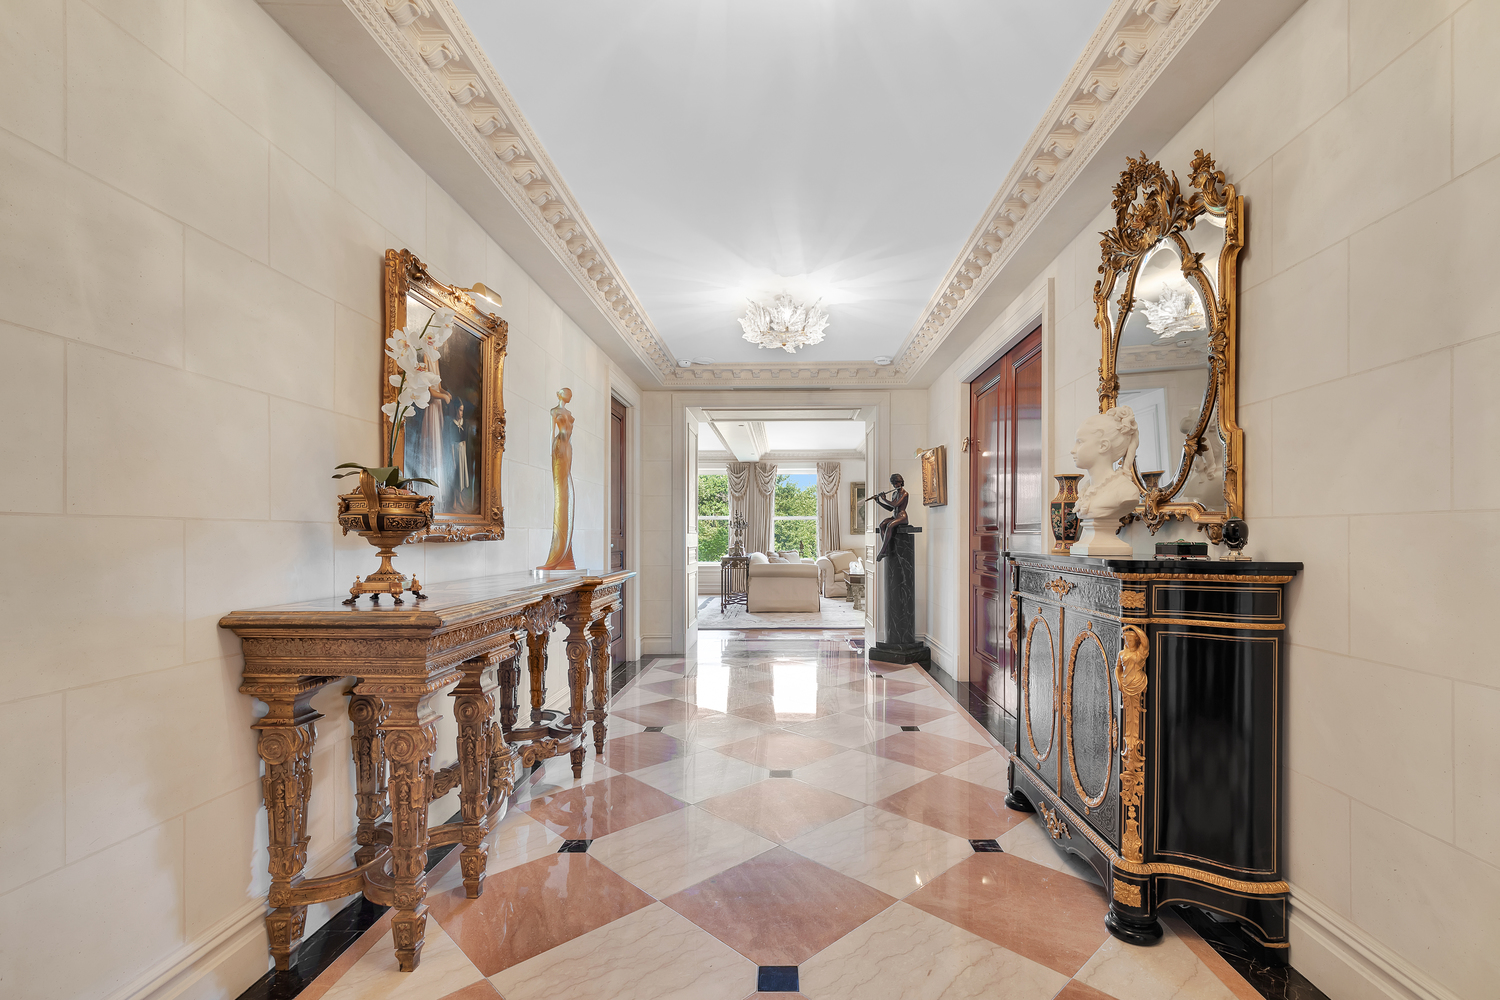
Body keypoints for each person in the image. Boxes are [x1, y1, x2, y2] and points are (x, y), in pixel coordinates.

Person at [872, 473, 909, 562]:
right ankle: (886, 549)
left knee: (889, 525)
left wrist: (884, 499)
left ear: (901, 482)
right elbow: (890, 508)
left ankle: (883, 550)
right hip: (894, 516)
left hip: (902, 516)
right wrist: (879, 502)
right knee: (882, 525)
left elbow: (895, 504)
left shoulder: (904, 493)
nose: (895, 485)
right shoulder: (894, 494)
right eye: (893, 484)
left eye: (897, 483)